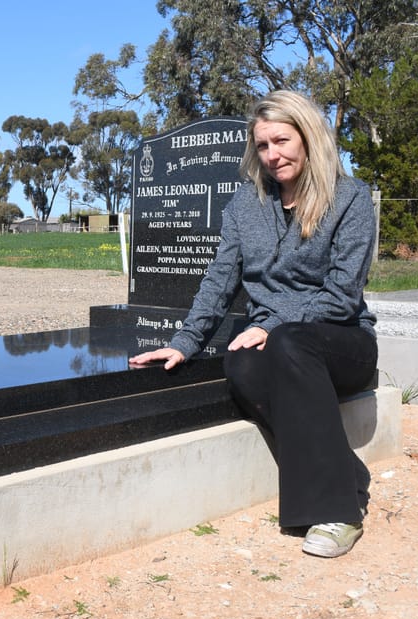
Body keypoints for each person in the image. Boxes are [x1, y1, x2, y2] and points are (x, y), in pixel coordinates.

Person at [129, 90, 378, 558]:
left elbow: (343, 293)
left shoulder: (350, 198)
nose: (272, 155)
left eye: (281, 141)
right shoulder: (246, 204)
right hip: (277, 343)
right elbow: (220, 279)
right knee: (241, 363)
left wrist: (275, 324)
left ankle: (339, 512)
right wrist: (184, 342)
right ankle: (346, 473)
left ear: (308, 138)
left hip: (342, 341)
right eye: (262, 145)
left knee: (289, 343)